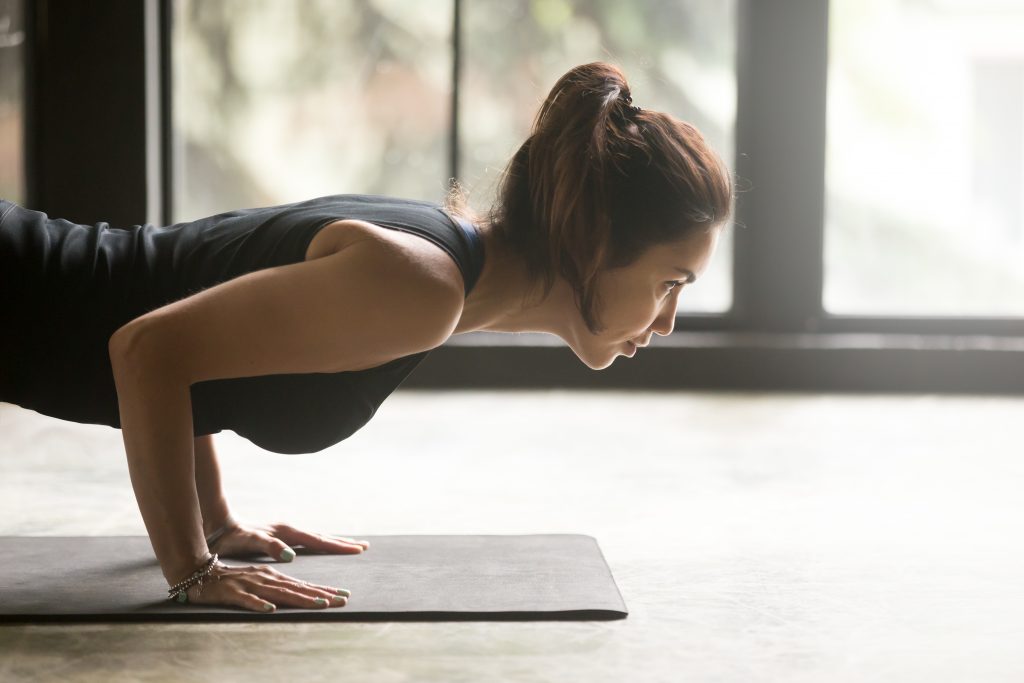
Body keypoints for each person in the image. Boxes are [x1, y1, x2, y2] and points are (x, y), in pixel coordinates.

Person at [0, 61, 733, 612]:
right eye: (671, 281)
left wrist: (216, 523)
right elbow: (147, 351)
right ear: (598, 240)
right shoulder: (421, 286)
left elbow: (192, 333)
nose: (667, 320)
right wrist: (192, 569)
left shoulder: (436, 266)